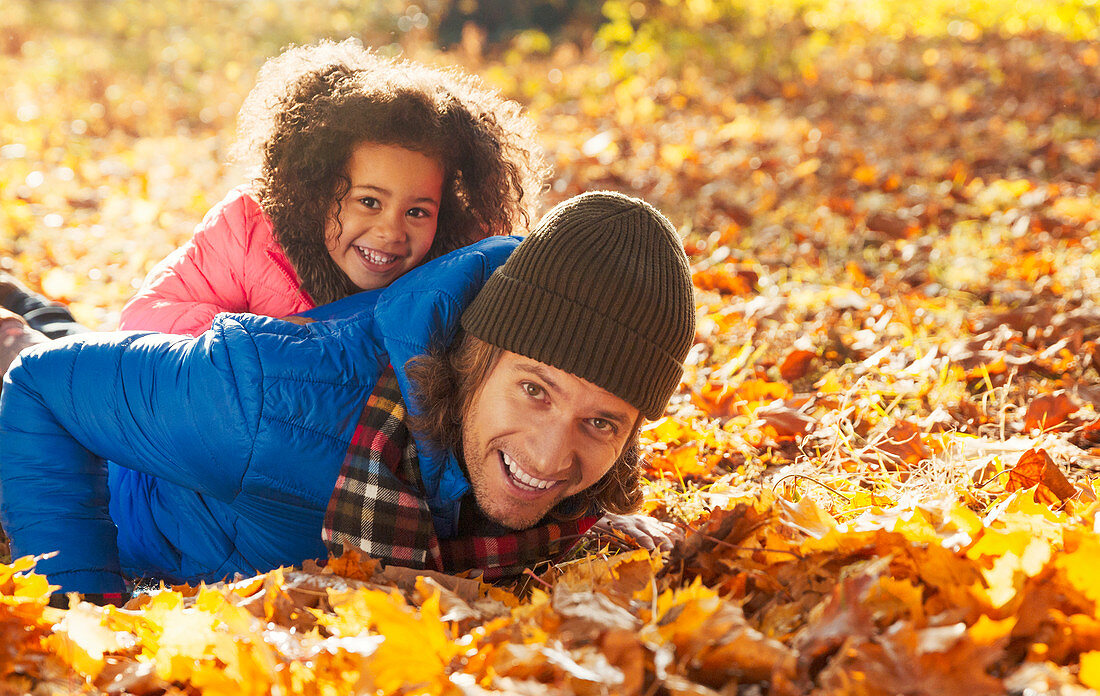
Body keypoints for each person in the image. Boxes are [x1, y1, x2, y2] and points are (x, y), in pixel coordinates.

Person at [0, 192, 695, 603]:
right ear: (478, 356)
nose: (551, 455)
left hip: (150, 412)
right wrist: (84, 612)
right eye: (535, 391)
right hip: (81, 458)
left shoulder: (540, 459)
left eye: (600, 423)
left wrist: (598, 534)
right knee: (25, 353)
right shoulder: (271, 406)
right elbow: (41, 392)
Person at [115, 37, 546, 335]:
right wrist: (272, 334)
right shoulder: (249, 231)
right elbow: (143, 318)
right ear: (318, 189)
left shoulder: (453, 271)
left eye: (418, 211)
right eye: (369, 201)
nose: (391, 232)